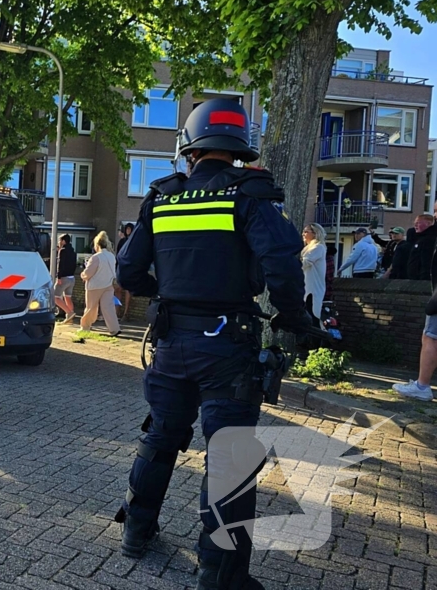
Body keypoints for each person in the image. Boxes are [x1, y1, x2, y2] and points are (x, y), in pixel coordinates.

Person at [115, 99, 311, 590]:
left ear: (190, 147)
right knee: (229, 456)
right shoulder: (250, 197)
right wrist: (294, 318)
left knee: (160, 437)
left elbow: (128, 271)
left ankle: (136, 532)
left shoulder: (161, 198)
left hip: (171, 343)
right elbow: (282, 266)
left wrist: (168, 294)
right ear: (239, 147)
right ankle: (218, 574)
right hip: (228, 346)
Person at [79, 231, 120, 335]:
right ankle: (114, 329)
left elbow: (88, 273)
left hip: (95, 286)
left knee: (91, 308)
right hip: (108, 285)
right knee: (108, 307)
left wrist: (83, 275)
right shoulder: (111, 256)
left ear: (97, 244)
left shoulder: (96, 257)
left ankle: (85, 326)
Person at [301, 224, 327, 328]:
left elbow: (306, 263)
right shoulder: (308, 248)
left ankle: (316, 336)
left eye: (306, 231)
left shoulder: (318, 247)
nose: (303, 234)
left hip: (313, 288)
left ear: (315, 233)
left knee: (312, 314)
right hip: (306, 286)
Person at [405, 214, 437, 281]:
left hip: (422, 281)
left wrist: (423, 280)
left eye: (418, 223)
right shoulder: (421, 239)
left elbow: (427, 262)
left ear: (428, 223)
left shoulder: (428, 240)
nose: (415, 225)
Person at [54, 234, 77, 324]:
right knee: (68, 297)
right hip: (71, 278)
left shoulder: (62, 251)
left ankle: (69, 313)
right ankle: (70, 319)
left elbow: (60, 264)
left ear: (63, 241)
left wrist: (58, 277)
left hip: (63, 278)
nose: (59, 242)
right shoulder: (73, 251)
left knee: (55, 297)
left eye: (60, 240)